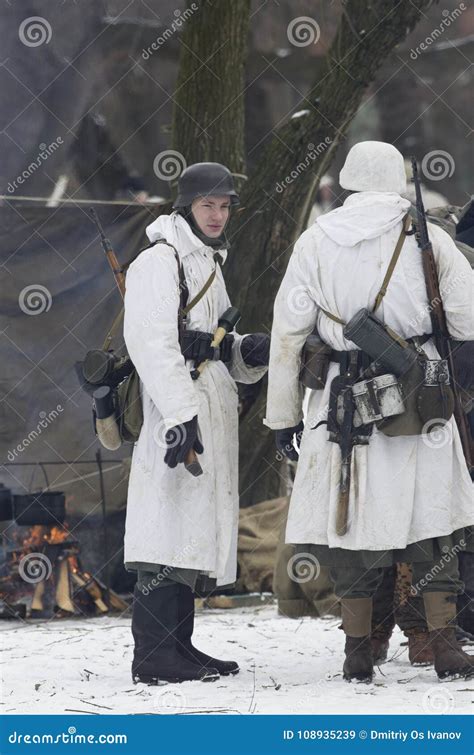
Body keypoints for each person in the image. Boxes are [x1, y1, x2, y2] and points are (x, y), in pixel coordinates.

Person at [264, 141, 474, 684]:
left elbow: (286, 335)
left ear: (349, 181)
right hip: (418, 391)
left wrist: (283, 416)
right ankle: (445, 645)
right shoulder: (428, 237)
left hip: (340, 398)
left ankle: (358, 650)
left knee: (349, 523)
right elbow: (468, 320)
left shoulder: (315, 240)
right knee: (436, 521)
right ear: (398, 181)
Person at [123, 162, 269, 684]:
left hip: (206, 401)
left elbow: (214, 343)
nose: (218, 214)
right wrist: (181, 415)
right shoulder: (158, 263)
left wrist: (247, 351)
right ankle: (154, 655)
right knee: (165, 524)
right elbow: (152, 344)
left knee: (189, 527)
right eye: (208, 205)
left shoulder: (207, 260)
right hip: (175, 405)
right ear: (187, 206)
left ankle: (179, 647)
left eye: (225, 205)